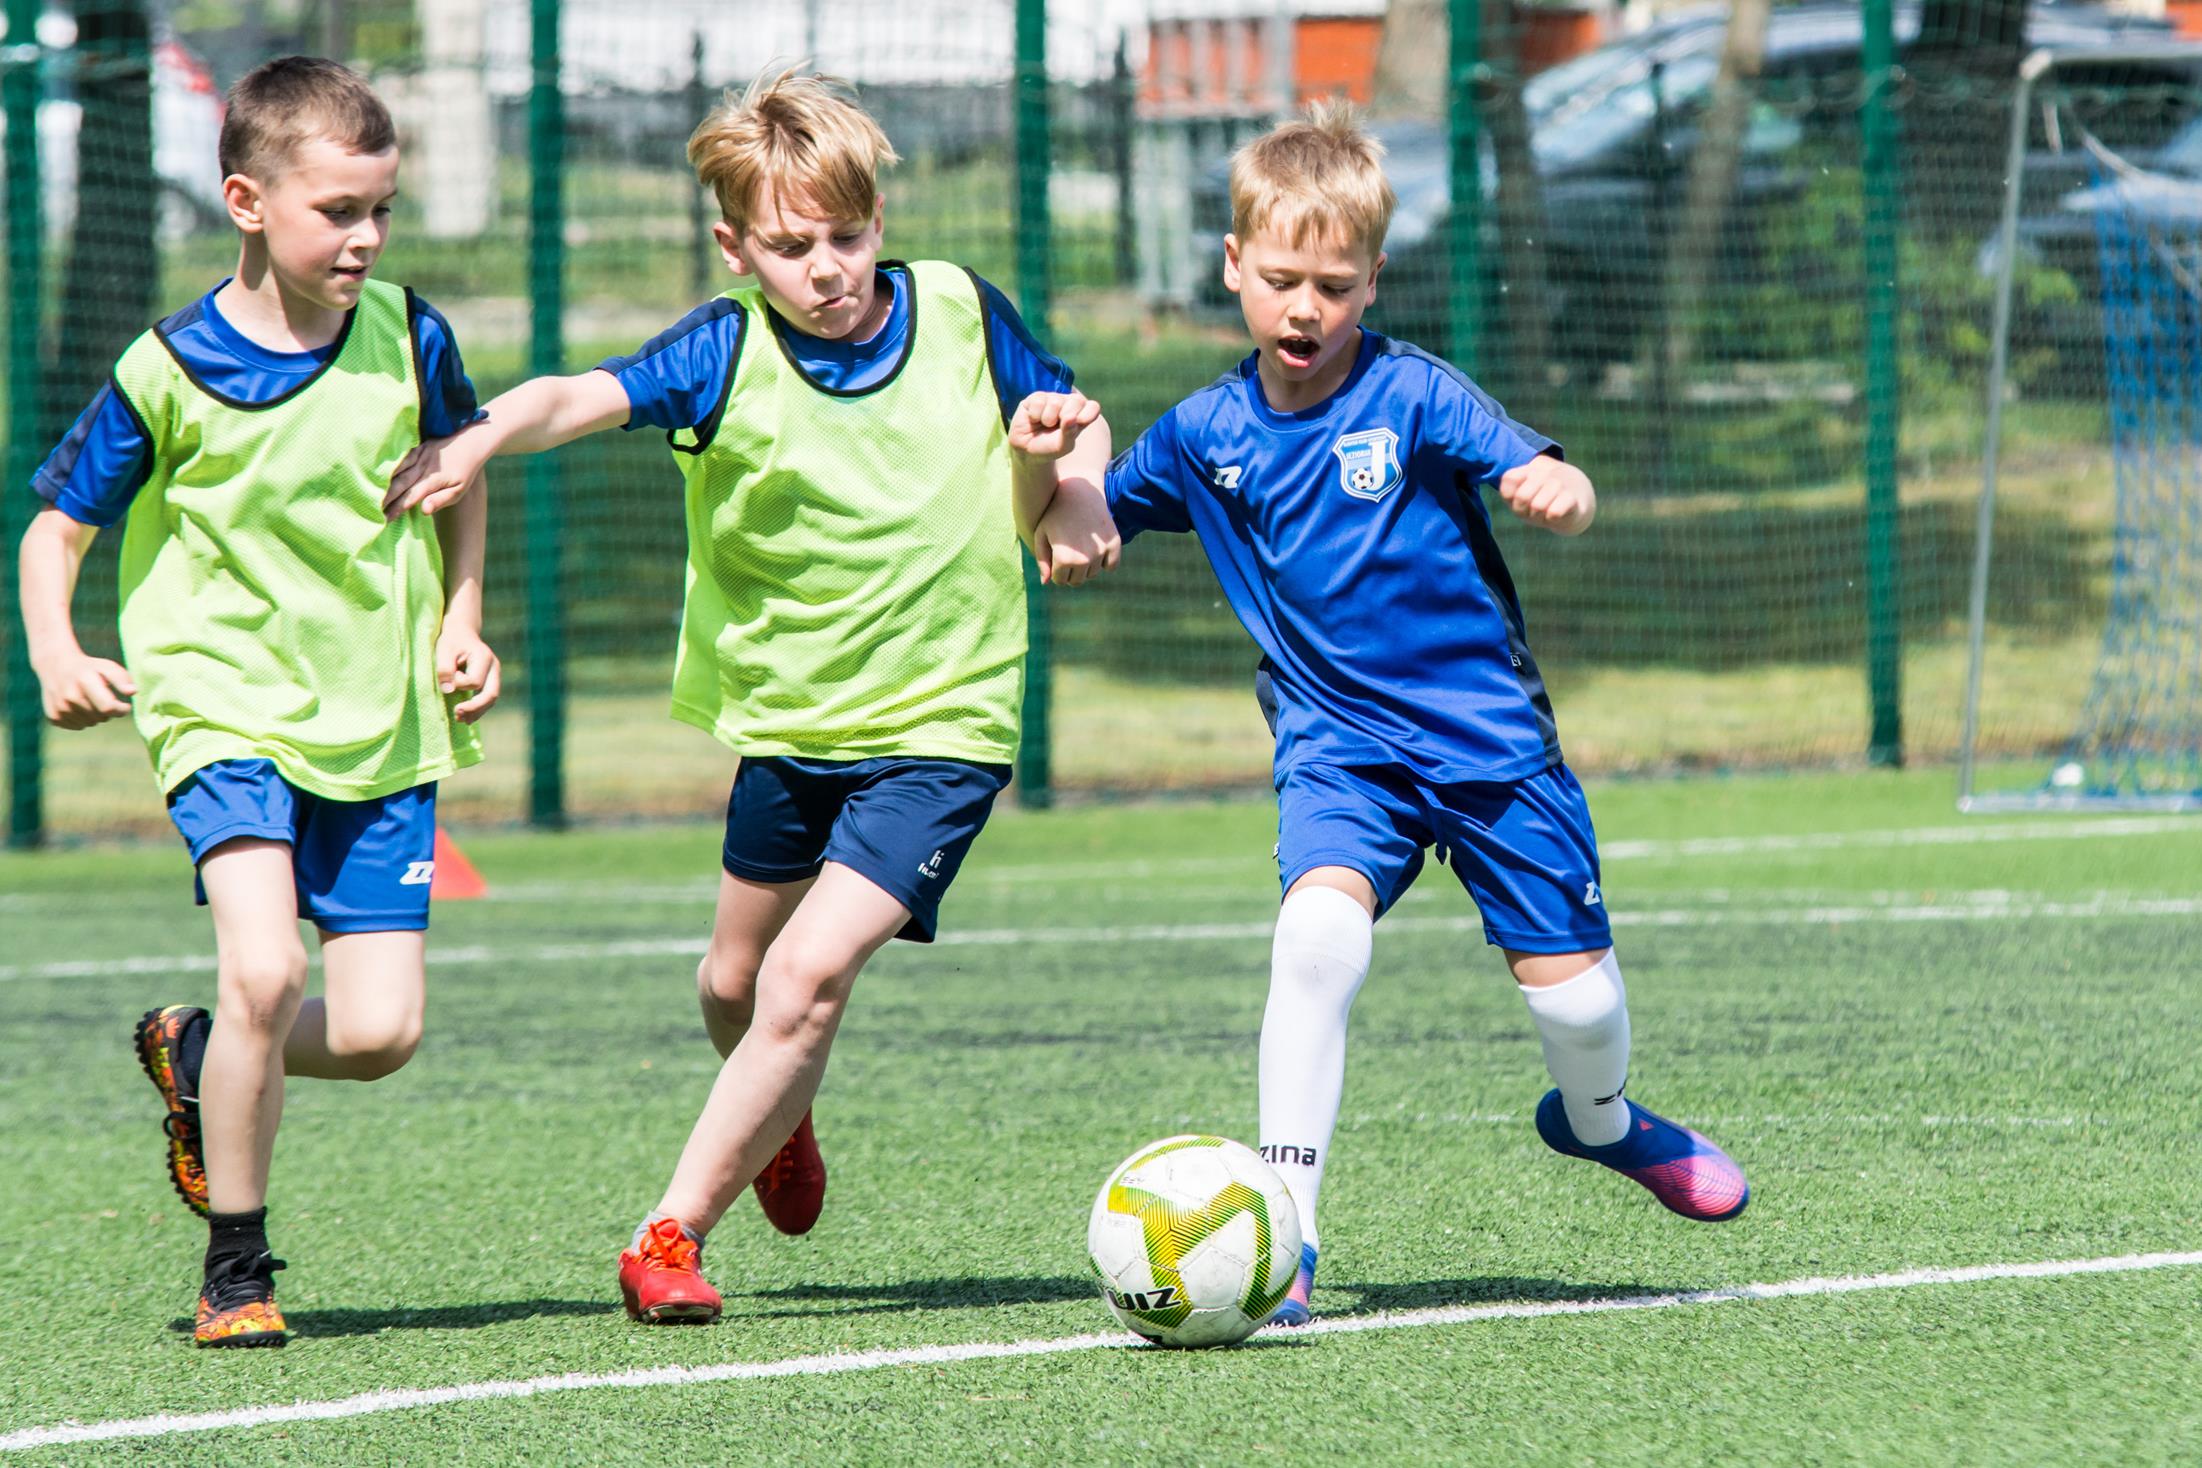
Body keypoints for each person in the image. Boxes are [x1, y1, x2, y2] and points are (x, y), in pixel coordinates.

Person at [382, 68, 1119, 1323]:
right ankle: (780, 1110)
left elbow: (1069, 415)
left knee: (805, 980)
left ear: (880, 221)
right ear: (735, 249)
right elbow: (574, 395)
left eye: (847, 237)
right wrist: (478, 434)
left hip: (944, 724)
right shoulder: (724, 348)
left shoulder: (958, 308)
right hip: (789, 724)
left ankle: (666, 1235)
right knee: (734, 984)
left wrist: (1080, 485)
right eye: (790, 247)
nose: (826, 268)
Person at [1099, 103, 1748, 1328]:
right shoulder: (1200, 433)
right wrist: (1050, 482)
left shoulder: (1413, 393)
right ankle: (1286, 1237)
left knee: (1577, 1006)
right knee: (1315, 942)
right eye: (1281, 280)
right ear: (1231, 265)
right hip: (1338, 748)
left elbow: (1543, 470)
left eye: (1334, 287)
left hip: (1489, 744)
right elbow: (1086, 522)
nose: (1305, 309)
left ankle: (1601, 1119)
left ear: (1374, 280)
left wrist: (1560, 487)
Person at [17, 56, 498, 1347]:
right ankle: (237, 1269)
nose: (366, 237)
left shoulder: (412, 334)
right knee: (268, 968)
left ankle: (195, 1052)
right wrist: (58, 651)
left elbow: (459, 472)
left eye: (380, 209)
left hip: (380, 717)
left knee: (383, 1032)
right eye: (337, 211)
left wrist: (460, 618)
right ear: (246, 201)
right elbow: (57, 528)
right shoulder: (166, 365)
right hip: (220, 704)